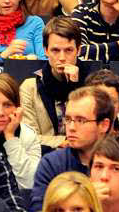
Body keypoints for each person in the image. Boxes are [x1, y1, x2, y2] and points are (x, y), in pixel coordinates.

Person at [30, 86, 119, 212]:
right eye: (68, 119)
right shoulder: (52, 164)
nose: (71, 128)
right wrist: (85, 201)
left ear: (104, 125)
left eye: (81, 120)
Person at [20, 18, 89, 149]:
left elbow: (95, 133)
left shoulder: (92, 85)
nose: (62, 58)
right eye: (55, 50)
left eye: (68, 50)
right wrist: (63, 142)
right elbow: (29, 138)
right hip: (43, 156)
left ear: (78, 50)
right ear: (46, 51)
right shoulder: (29, 87)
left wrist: (75, 87)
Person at [0, 74, 42, 191]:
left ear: (17, 108)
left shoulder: (28, 135)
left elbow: (30, 182)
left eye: (7, 105)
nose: (0, 112)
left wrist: (10, 137)